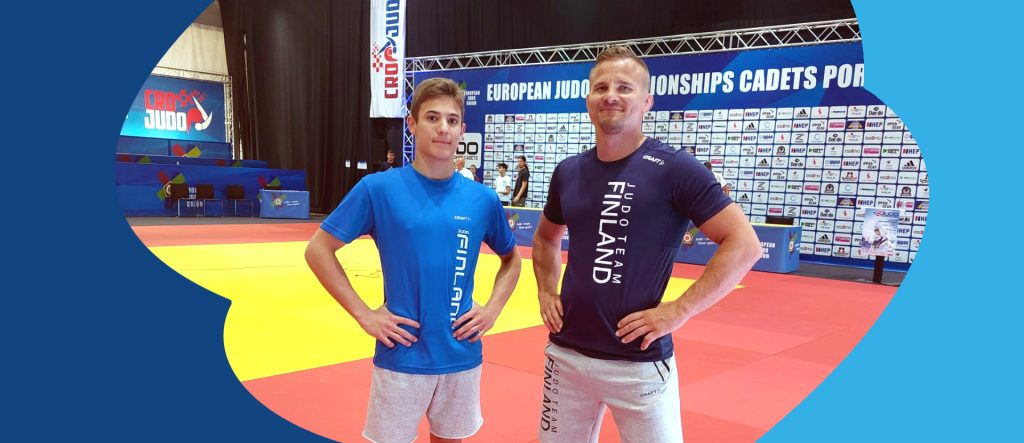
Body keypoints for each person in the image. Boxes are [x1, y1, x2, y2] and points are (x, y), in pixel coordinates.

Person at [532, 46, 762, 443]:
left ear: (647, 102)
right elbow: (544, 238)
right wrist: (545, 291)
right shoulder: (569, 171)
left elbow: (745, 245)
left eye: (625, 87)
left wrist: (678, 311)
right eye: (601, 87)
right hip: (566, 354)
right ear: (588, 100)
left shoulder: (675, 168)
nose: (611, 95)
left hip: (638, 361)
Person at [304, 78, 522, 443]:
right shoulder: (378, 189)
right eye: (432, 118)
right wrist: (364, 314)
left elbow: (512, 260)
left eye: (452, 120)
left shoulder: (482, 199)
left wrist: (492, 310)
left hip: (461, 352)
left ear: (462, 130)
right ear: (412, 123)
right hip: (402, 353)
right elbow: (318, 250)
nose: (443, 128)